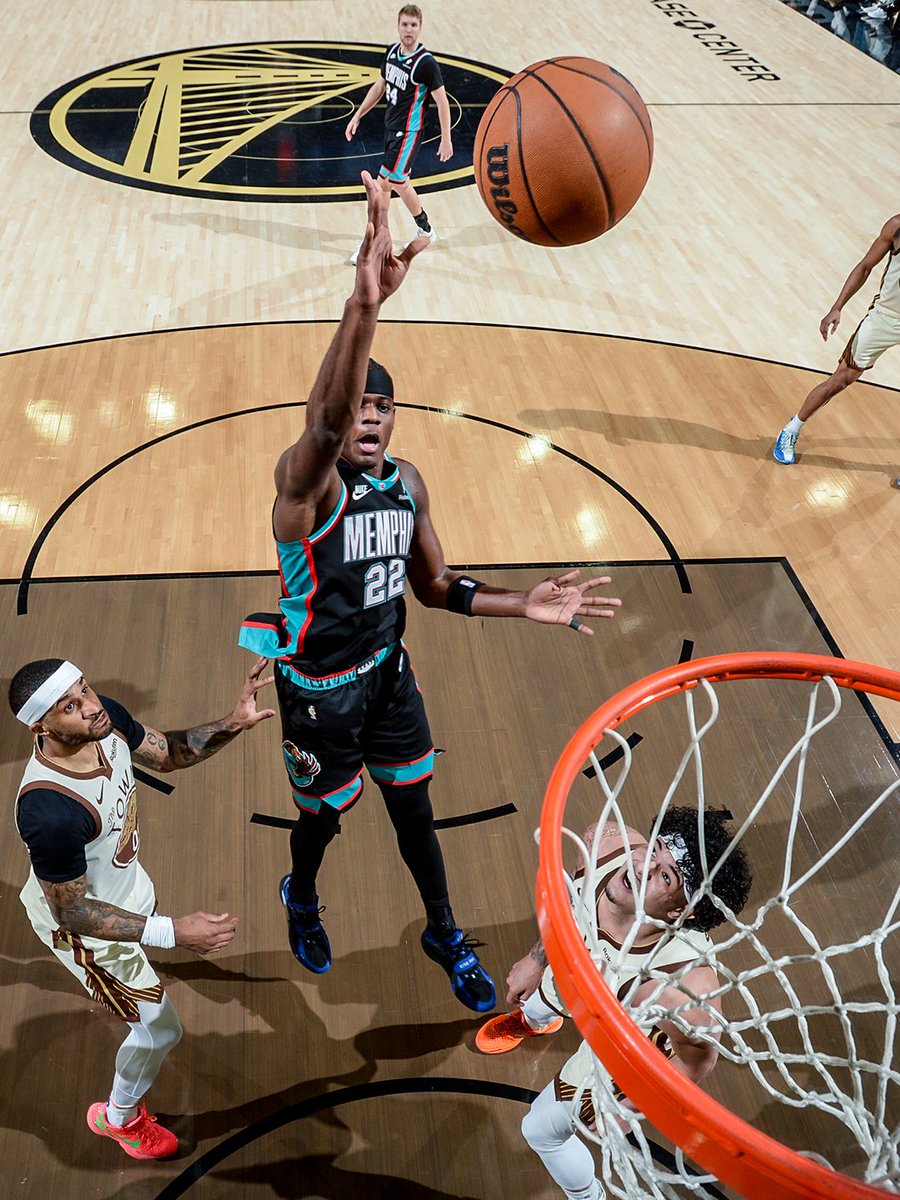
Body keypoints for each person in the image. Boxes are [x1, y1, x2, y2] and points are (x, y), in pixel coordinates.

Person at [238, 171, 622, 1015]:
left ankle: (444, 931)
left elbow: (438, 585)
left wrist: (524, 604)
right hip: (318, 694)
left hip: (386, 675)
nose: (370, 419)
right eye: (361, 407)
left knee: (416, 812)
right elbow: (324, 422)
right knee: (322, 821)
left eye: (384, 407)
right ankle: (301, 894)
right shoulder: (307, 490)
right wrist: (364, 302)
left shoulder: (407, 482)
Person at [8, 655, 275, 1161]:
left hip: (125, 892)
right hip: (87, 936)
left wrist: (233, 722)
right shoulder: (50, 811)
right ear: (41, 726)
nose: (89, 706)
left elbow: (168, 753)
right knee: (160, 1031)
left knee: (148, 952)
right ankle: (120, 1118)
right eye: (69, 706)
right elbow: (72, 913)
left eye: (85, 689)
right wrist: (174, 932)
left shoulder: (102, 720)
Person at [475, 808, 752, 1200]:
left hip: (628, 1037)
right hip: (583, 969)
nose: (642, 867)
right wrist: (536, 960)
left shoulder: (683, 988)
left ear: (680, 910)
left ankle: (587, 1197)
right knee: (539, 1001)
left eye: (666, 876)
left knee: (539, 1130)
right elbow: (569, 907)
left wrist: (636, 1104)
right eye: (655, 849)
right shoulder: (601, 843)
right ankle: (534, 1022)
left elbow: (698, 1061)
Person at [773, 213, 900, 467]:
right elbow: (865, 267)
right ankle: (791, 430)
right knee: (840, 380)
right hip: (886, 317)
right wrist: (837, 307)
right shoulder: (897, 226)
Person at [344, 4, 452, 263]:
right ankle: (426, 229)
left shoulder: (426, 64)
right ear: (398, 26)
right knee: (401, 183)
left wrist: (446, 138)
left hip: (408, 134)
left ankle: (372, 244)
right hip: (390, 130)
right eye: (405, 24)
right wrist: (358, 115)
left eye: (413, 25)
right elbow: (379, 87)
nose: (409, 30)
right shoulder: (392, 52)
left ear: (420, 28)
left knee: (380, 187)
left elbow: (442, 101)